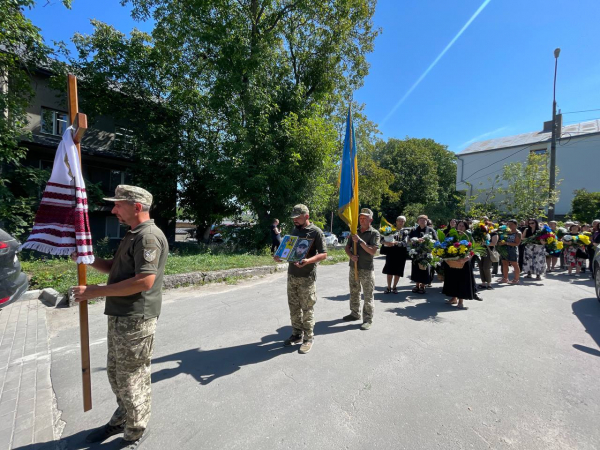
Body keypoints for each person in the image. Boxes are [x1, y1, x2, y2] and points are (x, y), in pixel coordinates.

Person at [71, 185, 168, 449]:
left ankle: (136, 429)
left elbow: (145, 281)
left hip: (136, 319)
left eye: (118, 205)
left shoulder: (148, 237)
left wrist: (94, 292)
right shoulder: (133, 234)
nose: (113, 209)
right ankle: (124, 415)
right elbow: (116, 269)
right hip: (120, 316)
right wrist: (87, 259)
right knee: (116, 374)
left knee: (131, 376)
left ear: (136, 207)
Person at [274, 204, 327, 354]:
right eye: (294, 218)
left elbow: (324, 254)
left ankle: (308, 338)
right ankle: (296, 334)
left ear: (306, 216)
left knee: (307, 308)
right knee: (294, 306)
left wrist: (308, 261)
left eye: (298, 218)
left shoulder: (316, 232)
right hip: (292, 275)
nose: (295, 221)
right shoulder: (294, 230)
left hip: (306, 276)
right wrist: (280, 257)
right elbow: (289, 251)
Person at [343, 208, 380, 330]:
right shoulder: (354, 231)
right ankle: (355, 313)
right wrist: (351, 256)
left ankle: (368, 319)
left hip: (366, 269)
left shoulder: (374, 233)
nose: (361, 220)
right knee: (354, 291)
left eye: (364, 218)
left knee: (368, 295)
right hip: (354, 267)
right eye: (360, 218)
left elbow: (373, 251)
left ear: (371, 220)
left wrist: (360, 241)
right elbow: (347, 248)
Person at [443, 220, 477, 309]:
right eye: (459, 226)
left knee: (462, 282)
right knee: (453, 280)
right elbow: (446, 247)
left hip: (464, 263)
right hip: (453, 262)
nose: (460, 227)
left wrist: (466, 259)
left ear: (466, 228)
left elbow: (473, 250)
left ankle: (461, 302)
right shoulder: (453, 235)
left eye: (463, 226)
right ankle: (454, 298)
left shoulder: (468, 236)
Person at [408, 215, 437, 294]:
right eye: (420, 219)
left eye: (424, 220)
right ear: (418, 221)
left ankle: (423, 286)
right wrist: (416, 240)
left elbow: (436, 240)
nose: (422, 221)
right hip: (416, 253)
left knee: (424, 269)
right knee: (416, 269)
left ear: (427, 221)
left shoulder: (430, 230)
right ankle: (417, 285)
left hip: (425, 253)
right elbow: (409, 240)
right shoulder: (414, 230)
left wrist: (427, 241)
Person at [380, 215, 409, 294]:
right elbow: (381, 239)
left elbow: (405, 243)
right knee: (389, 270)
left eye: (402, 221)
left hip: (401, 253)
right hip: (391, 252)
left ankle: (394, 287)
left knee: (398, 271)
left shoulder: (405, 231)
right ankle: (388, 287)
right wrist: (386, 242)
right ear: (396, 221)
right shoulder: (389, 229)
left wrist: (395, 243)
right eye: (399, 220)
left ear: (404, 223)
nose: (401, 222)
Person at [499, 219, 521, 284]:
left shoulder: (518, 233)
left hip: (512, 249)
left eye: (511, 224)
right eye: (508, 224)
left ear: (516, 225)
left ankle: (516, 279)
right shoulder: (506, 231)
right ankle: (505, 278)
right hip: (504, 249)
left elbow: (517, 243)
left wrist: (506, 243)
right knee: (505, 263)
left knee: (514, 264)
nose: (510, 226)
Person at [479, 223, 499, 290]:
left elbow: (493, 243)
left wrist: (483, 243)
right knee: (481, 267)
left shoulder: (494, 234)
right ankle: (483, 283)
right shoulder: (482, 233)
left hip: (489, 252)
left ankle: (489, 284)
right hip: (481, 251)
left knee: (486, 268)